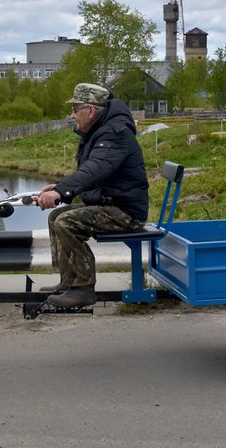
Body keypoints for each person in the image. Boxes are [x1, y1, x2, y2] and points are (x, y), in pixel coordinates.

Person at [34, 82, 150, 308]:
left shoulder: (115, 133)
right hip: (110, 203)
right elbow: (90, 174)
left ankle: (83, 289)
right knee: (55, 217)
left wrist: (61, 191)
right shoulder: (100, 130)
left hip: (125, 211)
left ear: (91, 110)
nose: (72, 115)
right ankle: (69, 282)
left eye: (75, 109)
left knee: (66, 222)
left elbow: (95, 169)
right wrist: (60, 187)